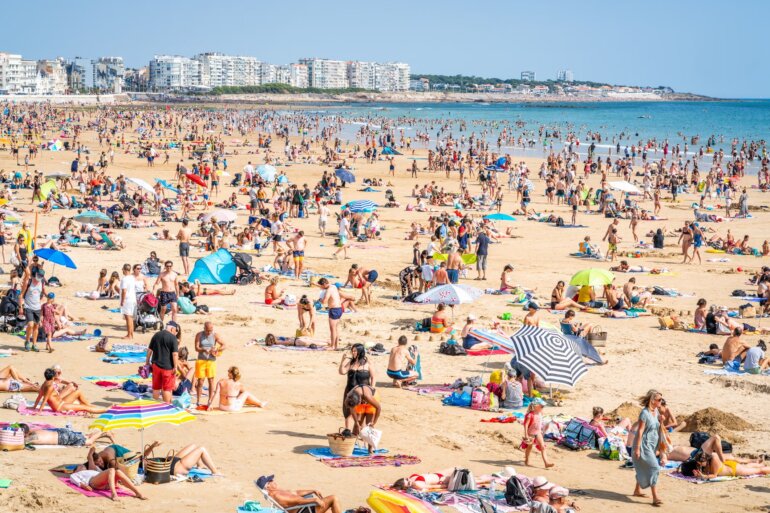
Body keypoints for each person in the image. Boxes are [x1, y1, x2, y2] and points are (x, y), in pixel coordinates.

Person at [631, 389, 664, 507]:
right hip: (643, 444)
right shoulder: (644, 413)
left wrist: (662, 421)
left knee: (643, 466)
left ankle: (637, 490)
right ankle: (655, 497)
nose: (661, 401)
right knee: (654, 468)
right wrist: (637, 449)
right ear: (653, 400)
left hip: (652, 444)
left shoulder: (656, 411)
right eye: (659, 399)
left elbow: (658, 428)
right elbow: (640, 431)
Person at [32, 368, 108, 414]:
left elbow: (39, 397)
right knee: (84, 407)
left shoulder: (44, 384)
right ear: (52, 377)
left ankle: (92, 407)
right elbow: (44, 400)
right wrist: (39, 411)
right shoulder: (50, 386)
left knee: (78, 392)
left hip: (61, 402)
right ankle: (106, 410)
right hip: (60, 407)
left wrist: (34, 407)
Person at [258, 475, 341, 513]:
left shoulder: (277, 491)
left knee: (330, 510)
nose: (274, 481)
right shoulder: (277, 496)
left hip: (305, 508)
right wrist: (315, 500)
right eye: (271, 481)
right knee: (333, 498)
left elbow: (295, 492)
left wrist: (312, 491)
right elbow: (298, 501)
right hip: (304, 510)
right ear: (267, 486)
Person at [339, 343, 374, 431]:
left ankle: (360, 431)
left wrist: (372, 390)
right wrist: (342, 361)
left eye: (355, 351)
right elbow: (342, 372)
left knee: (360, 413)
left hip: (363, 392)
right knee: (349, 412)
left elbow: (373, 377)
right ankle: (347, 431)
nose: (353, 353)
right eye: (352, 351)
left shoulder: (367, 363)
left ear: (360, 351)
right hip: (350, 391)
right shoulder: (351, 362)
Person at [146, 321, 180, 403]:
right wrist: (175, 367)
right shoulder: (173, 338)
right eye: (176, 331)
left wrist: (147, 362)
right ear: (172, 329)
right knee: (167, 388)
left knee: (156, 387)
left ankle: (154, 405)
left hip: (155, 365)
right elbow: (175, 354)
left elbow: (150, 350)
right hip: (168, 367)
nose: (175, 333)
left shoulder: (156, 335)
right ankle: (167, 406)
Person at [69, 467, 147, 501]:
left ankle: (137, 492)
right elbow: (72, 477)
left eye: (83, 466)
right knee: (111, 470)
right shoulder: (76, 473)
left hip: (106, 483)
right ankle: (113, 494)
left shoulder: (91, 470)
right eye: (80, 466)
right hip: (93, 482)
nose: (82, 467)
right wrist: (82, 485)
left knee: (118, 471)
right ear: (75, 470)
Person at [194, 321, 225, 407]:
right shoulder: (199, 335)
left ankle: (210, 400)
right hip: (201, 360)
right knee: (200, 382)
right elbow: (196, 348)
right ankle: (198, 400)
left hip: (211, 361)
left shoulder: (215, 335)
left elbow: (224, 345)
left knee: (211, 381)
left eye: (211, 330)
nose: (209, 332)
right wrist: (204, 350)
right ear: (204, 328)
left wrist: (217, 350)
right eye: (207, 331)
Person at [344, 384, 381, 453]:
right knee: (357, 423)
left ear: (360, 400)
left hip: (373, 399)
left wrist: (374, 422)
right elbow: (352, 409)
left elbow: (378, 408)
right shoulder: (349, 396)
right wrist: (356, 422)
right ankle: (351, 445)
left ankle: (370, 449)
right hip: (358, 398)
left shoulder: (367, 396)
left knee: (369, 425)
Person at [19, 267, 45, 351]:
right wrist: (20, 307)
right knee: (30, 325)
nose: (40, 278)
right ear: (35, 275)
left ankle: (34, 344)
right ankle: (27, 341)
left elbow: (43, 292)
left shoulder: (41, 282)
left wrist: (45, 298)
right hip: (28, 306)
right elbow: (21, 295)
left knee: (36, 326)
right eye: (39, 276)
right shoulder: (28, 282)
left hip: (37, 307)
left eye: (41, 276)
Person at [522, 399, 554, 468]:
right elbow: (526, 425)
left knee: (543, 447)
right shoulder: (530, 415)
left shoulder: (540, 413)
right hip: (531, 433)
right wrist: (526, 435)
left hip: (538, 433)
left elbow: (541, 422)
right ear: (536, 406)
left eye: (543, 406)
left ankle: (546, 463)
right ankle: (527, 459)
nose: (543, 407)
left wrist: (545, 428)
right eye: (541, 406)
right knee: (529, 447)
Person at [318, 278, 343, 349]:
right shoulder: (333, 286)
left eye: (321, 286)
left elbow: (324, 301)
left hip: (334, 310)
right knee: (336, 328)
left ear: (324, 284)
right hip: (339, 309)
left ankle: (332, 346)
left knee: (332, 329)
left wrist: (320, 299)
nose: (321, 288)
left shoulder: (329, 290)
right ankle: (336, 345)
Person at [119, 263, 137, 340]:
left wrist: (122, 301)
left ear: (125, 270)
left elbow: (124, 291)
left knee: (128, 317)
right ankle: (131, 334)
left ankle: (129, 335)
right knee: (130, 318)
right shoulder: (132, 277)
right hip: (133, 299)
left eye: (123, 269)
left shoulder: (125, 279)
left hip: (127, 300)